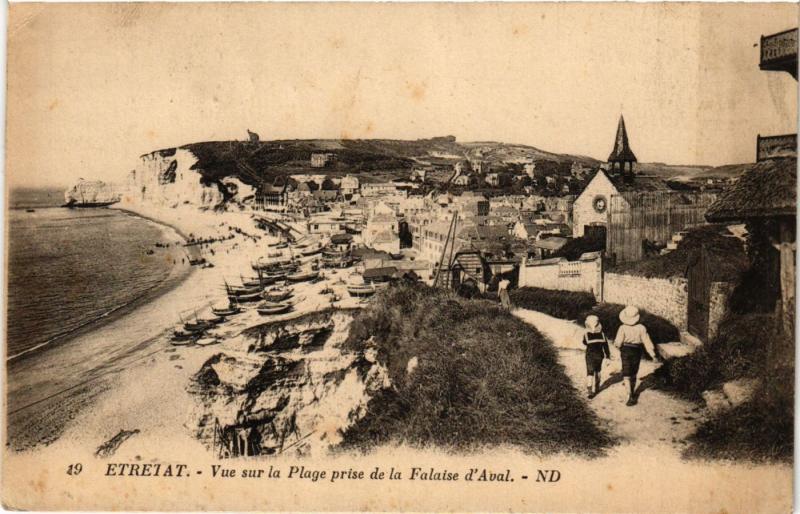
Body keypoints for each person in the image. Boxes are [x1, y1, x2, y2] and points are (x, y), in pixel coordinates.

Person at [613, 305, 657, 406]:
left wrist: (617, 345)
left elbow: (618, 342)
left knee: (626, 372)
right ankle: (632, 388)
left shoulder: (622, 328)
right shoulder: (642, 328)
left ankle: (630, 394)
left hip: (625, 350)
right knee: (633, 371)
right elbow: (647, 341)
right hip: (637, 351)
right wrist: (652, 354)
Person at [582, 315, 611, 399]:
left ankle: (590, 390)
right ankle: (597, 387)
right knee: (598, 370)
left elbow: (584, 343)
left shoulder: (586, 335)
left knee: (590, 372)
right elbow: (606, 346)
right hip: (599, 355)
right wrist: (608, 356)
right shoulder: (602, 335)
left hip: (590, 355)